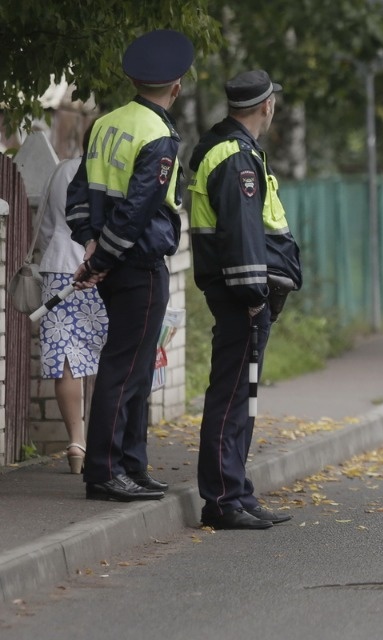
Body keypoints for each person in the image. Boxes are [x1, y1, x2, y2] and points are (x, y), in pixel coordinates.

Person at [65, 29, 194, 501]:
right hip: (138, 266)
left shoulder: (104, 123)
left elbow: (77, 196)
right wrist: (105, 256)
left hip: (113, 264)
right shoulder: (159, 136)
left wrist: (91, 246)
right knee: (125, 369)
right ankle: (104, 472)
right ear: (175, 87)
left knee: (137, 369)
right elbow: (139, 208)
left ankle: (133, 464)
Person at [189, 70, 302, 530]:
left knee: (242, 396)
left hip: (246, 296)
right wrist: (254, 296)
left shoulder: (236, 149)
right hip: (243, 298)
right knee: (232, 395)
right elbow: (240, 233)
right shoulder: (235, 158)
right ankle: (221, 499)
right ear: (267, 106)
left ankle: (237, 491)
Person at [36, 154, 108, 474]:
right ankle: (105, 441)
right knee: (107, 355)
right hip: (99, 272)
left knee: (67, 357)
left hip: (58, 269)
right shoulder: (110, 170)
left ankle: (77, 441)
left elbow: (46, 226)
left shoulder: (62, 170)